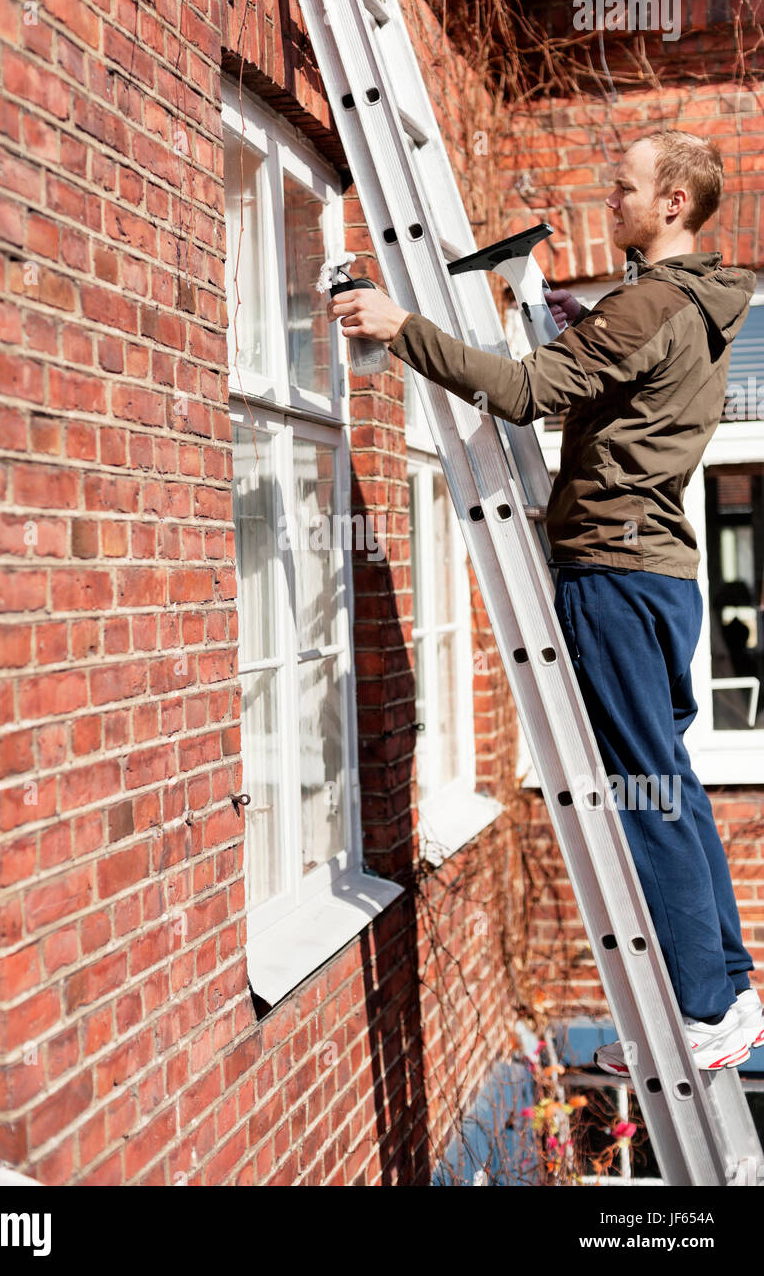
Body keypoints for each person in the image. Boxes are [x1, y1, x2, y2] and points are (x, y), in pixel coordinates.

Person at [327, 130, 764, 1073]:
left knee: (644, 791)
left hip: (612, 574)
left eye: (627, 188)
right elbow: (620, 389)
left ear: (675, 203)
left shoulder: (647, 303)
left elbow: (526, 394)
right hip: (660, 578)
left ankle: (702, 1007)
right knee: (667, 781)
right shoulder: (697, 305)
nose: (614, 199)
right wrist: (583, 327)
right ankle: (726, 987)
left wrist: (400, 326)